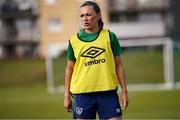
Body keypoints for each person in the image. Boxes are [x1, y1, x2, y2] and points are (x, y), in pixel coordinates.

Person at [64, 1, 128, 119]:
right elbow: (69, 69)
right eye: (82, 16)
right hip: (83, 95)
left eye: (88, 15)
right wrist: (66, 95)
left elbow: (118, 65)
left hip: (108, 94)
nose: (85, 19)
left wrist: (124, 91)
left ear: (98, 16)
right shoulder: (74, 41)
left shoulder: (110, 36)